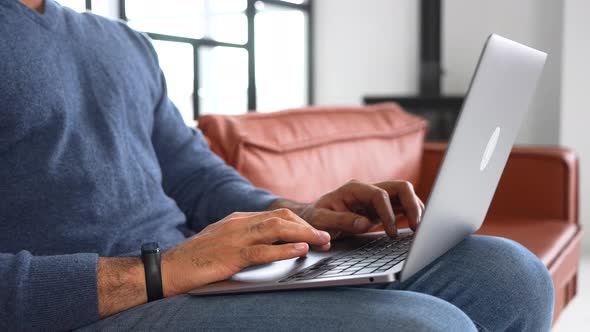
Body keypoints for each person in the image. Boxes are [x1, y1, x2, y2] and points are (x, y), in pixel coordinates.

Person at [0, 0, 554, 331]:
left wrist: (296, 211)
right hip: (94, 306)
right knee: (431, 328)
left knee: (511, 274)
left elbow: (196, 175)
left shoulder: (121, 43)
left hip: (191, 274)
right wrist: (161, 271)